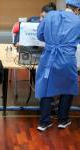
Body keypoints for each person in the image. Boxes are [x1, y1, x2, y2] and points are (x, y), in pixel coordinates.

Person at [36, 0, 80, 132]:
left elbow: (40, 35)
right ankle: (63, 120)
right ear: (77, 10)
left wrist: (51, 41)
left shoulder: (49, 15)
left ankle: (44, 122)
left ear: (66, 6)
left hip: (49, 57)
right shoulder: (78, 21)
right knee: (67, 88)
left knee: (46, 87)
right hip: (67, 59)